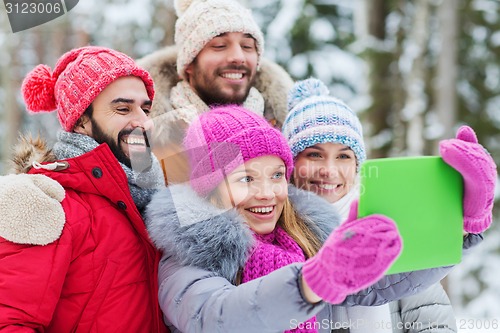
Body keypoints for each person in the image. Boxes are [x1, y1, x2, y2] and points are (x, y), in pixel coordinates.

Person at [144, 105, 472, 333]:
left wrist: (462, 225)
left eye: (275, 176)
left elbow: (380, 281)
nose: (267, 193)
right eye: (246, 179)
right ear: (211, 187)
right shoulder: (187, 257)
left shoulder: (301, 238)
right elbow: (219, 317)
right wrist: (310, 281)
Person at [281, 78, 496, 332]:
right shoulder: (273, 233)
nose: (329, 170)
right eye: (314, 154)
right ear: (291, 162)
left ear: (357, 165)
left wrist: (462, 224)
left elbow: (431, 317)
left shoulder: (386, 223)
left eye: (343, 156)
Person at [0, 46, 168, 332]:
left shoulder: (155, 198)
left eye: (146, 108)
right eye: (123, 108)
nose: (143, 121)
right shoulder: (47, 202)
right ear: (81, 121)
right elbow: (11, 322)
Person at [136, 0, 294, 184]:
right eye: (219, 45)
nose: (238, 57)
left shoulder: (284, 130)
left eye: (247, 46)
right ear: (189, 64)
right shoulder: (148, 140)